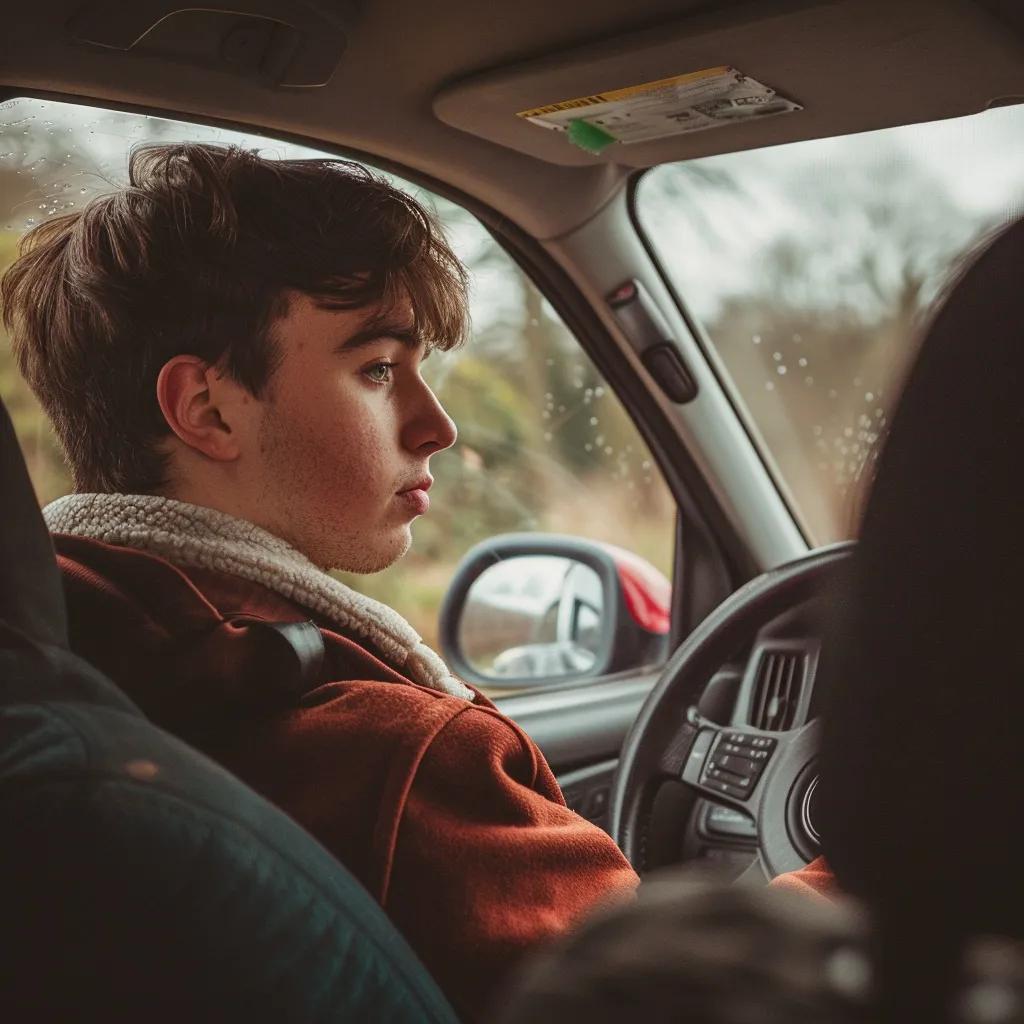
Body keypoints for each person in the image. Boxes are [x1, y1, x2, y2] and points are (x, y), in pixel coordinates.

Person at [0, 143, 638, 1023]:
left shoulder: (59, 652)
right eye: (378, 368)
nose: (437, 426)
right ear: (209, 409)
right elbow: (705, 995)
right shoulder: (407, 758)